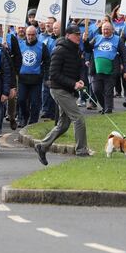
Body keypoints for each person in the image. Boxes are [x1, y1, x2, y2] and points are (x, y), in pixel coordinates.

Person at [35, 24, 91, 165]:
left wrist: (81, 80)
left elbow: (81, 67)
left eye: (79, 34)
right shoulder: (59, 50)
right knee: (78, 119)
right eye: (76, 34)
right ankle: (81, 151)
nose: (79, 37)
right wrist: (73, 84)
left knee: (64, 124)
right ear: (68, 35)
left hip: (68, 89)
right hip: (59, 89)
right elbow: (54, 74)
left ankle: (42, 146)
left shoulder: (76, 50)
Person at [84, 21, 126, 113]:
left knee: (108, 91)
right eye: (104, 29)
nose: (105, 31)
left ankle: (108, 109)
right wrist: (85, 41)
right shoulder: (97, 38)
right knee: (96, 90)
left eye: (107, 29)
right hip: (97, 70)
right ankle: (104, 106)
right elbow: (88, 49)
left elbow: (124, 56)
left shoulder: (118, 40)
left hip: (111, 70)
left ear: (112, 30)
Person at [16, 25, 50, 127]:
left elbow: (47, 61)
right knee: (21, 100)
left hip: (36, 79)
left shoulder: (42, 46)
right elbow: (16, 60)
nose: (30, 37)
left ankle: (33, 121)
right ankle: (24, 117)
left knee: (35, 102)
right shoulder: (20, 45)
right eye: (28, 35)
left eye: (32, 35)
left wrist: (43, 74)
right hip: (23, 78)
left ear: (36, 35)